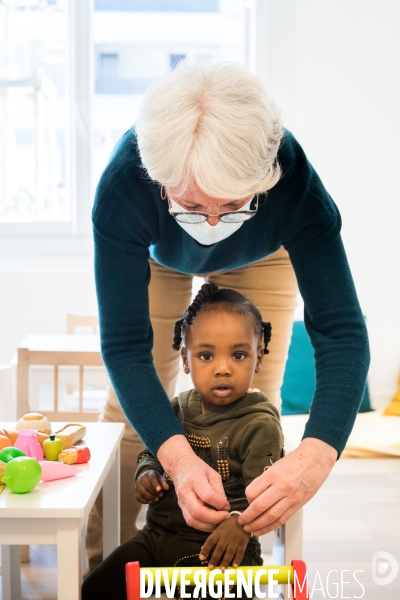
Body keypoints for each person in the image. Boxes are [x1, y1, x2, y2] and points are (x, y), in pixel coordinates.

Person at [86, 59, 370, 568]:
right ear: (159, 179)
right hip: (157, 254)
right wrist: (175, 457)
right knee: (128, 418)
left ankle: (242, 560)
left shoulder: (295, 183)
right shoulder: (124, 185)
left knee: (254, 405)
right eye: (193, 205)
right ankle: (99, 562)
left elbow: (343, 332)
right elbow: (125, 348)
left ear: (264, 180)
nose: (213, 223)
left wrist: (315, 455)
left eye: (234, 205)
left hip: (265, 253)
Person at [82, 284, 284, 599]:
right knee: (96, 587)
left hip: (223, 551)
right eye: (206, 355)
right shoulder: (175, 408)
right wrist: (147, 474)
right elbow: (153, 453)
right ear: (185, 360)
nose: (222, 368)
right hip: (157, 538)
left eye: (239, 354)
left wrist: (240, 525)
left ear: (259, 359)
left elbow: (267, 491)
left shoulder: (261, 424)